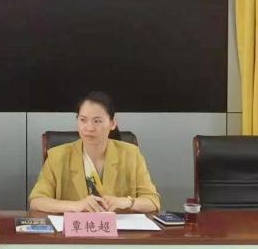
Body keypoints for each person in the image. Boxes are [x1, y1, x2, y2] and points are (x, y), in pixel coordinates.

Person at [29, 91, 160, 213]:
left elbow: (152, 201)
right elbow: (37, 201)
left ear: (113, 123)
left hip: (118, 229)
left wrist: (127, 202)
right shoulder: (57, 155)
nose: (89, 128)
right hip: (75, 228)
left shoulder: (131, 154)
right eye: (83, 120)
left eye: (97, 121)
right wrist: (76, 205)